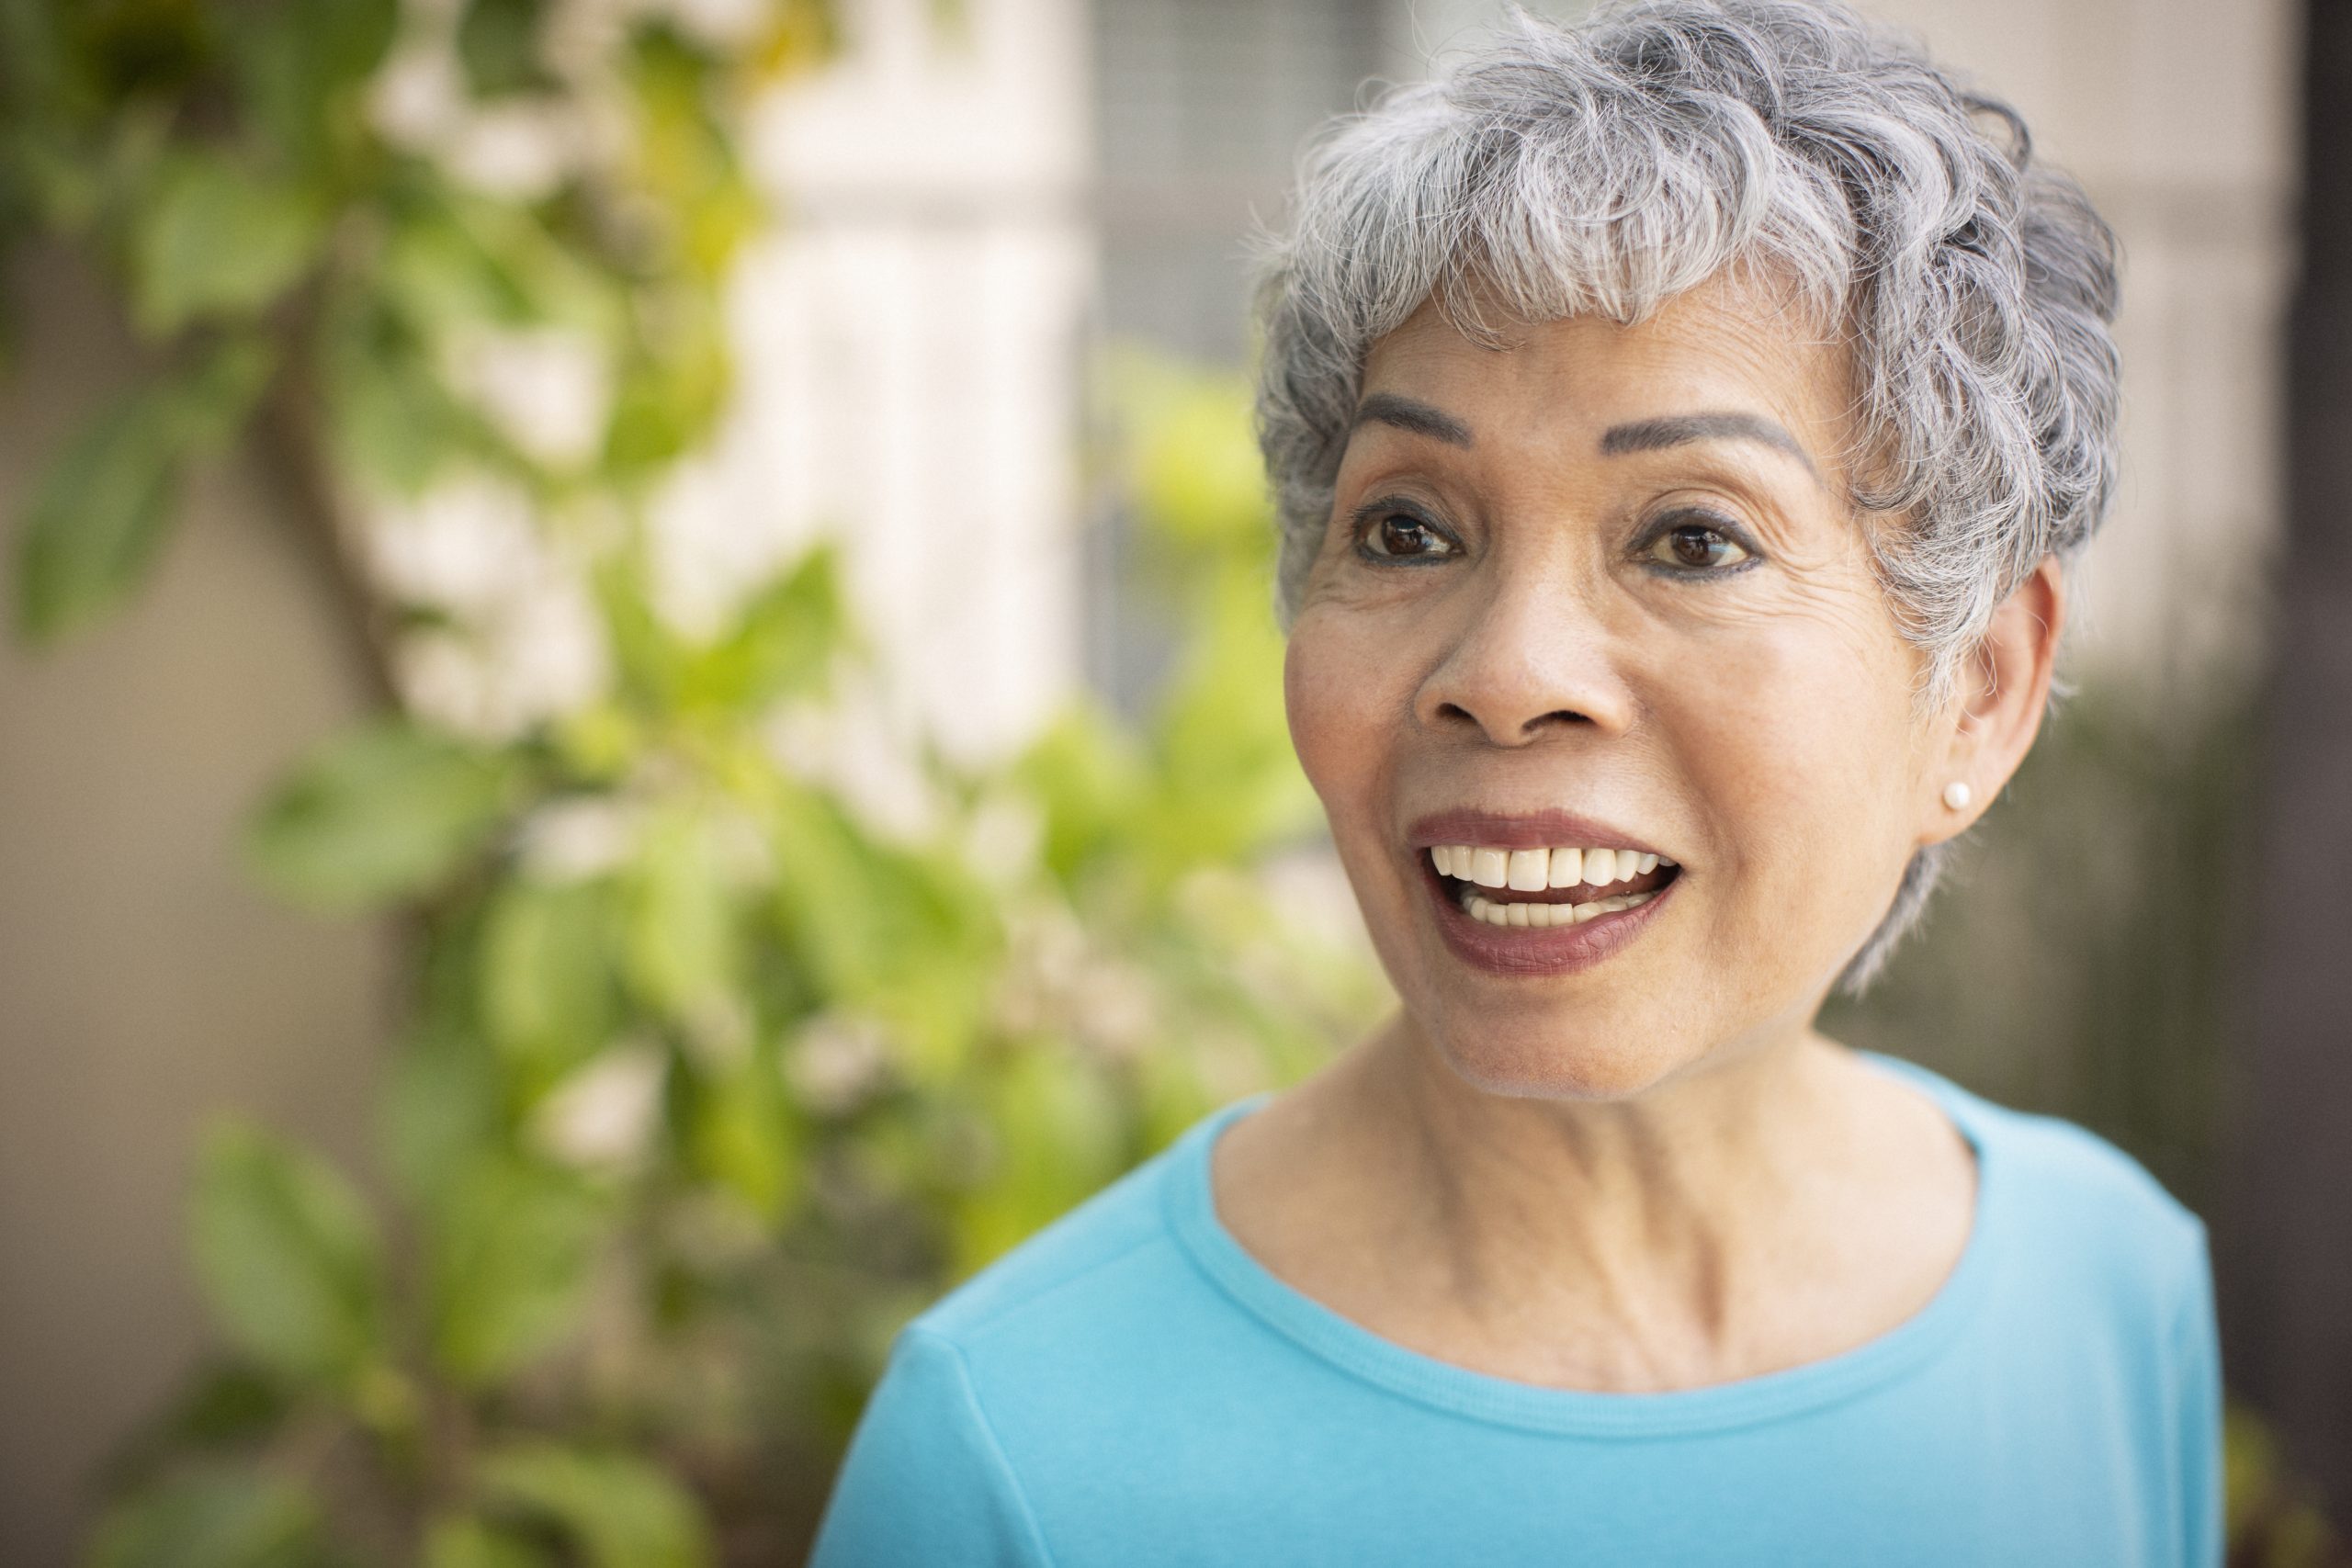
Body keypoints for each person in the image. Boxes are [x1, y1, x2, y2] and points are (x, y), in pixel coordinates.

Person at [810, 3, 2222, 1562]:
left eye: (1695, 538)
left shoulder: (2109, 1292)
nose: (1506, 669)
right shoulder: (1017, 1448)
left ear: (1979, 691)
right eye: (1407, 529)